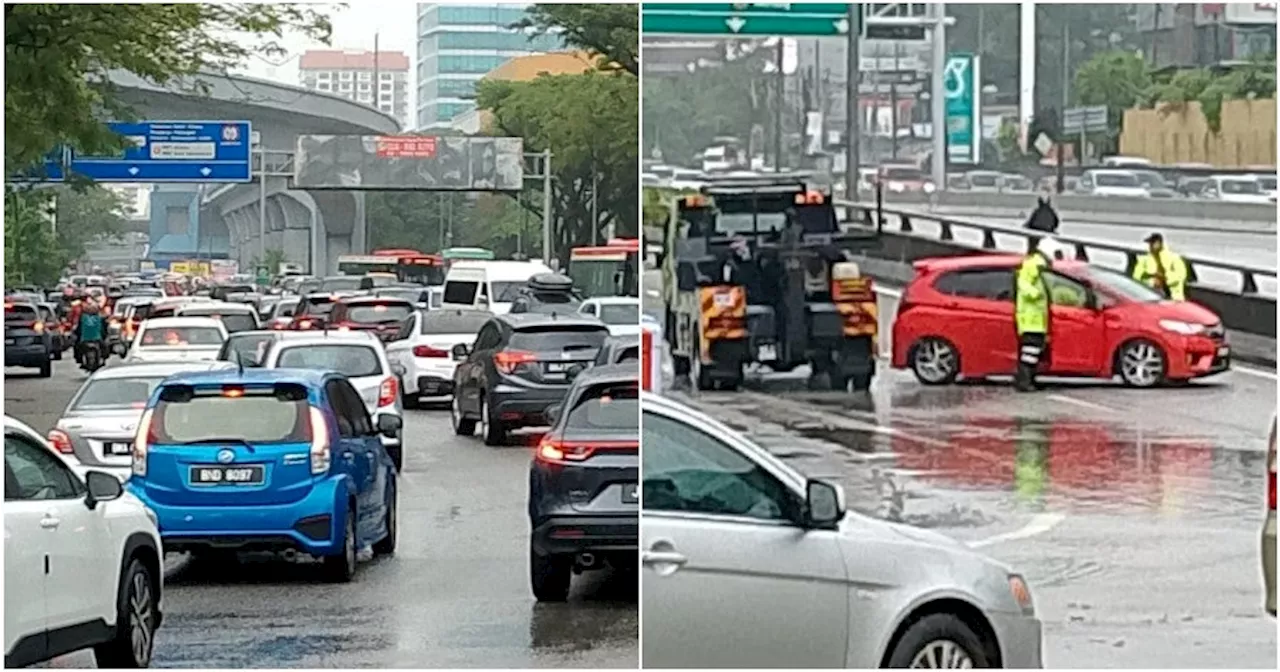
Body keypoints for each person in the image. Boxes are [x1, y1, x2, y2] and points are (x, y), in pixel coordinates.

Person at [1014, 237, 1059, 392]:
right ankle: (1024, 381)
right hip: (1030, 317)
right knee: (1030, 351)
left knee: (1034, 351)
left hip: (1036, 317)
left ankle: (1029, 379)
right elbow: (1023, 284)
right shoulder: (1034, 264)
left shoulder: (1038, 264)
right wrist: (1035, 294)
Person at [1132, 232, 1188, 301]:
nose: (1151, 246)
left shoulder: (1174, 258)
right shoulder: (1144, 260)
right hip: (1152, 298)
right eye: (1150, 244)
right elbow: (1135, 278)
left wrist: (1164, 278)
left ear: (1160, 243)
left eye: (1153, 243)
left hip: (1175, 298)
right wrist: (1152, 282)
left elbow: (1181, 276)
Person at [74, 299, 107, 364]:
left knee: (77, 347)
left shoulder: (83, 318)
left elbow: (78, 330)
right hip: (96, 339)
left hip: (86, 340)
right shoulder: (99, 318)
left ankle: (79, 360)